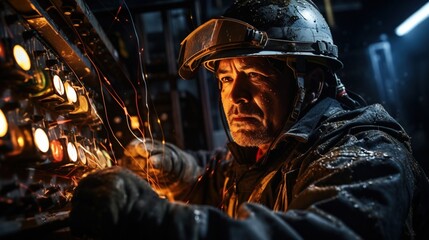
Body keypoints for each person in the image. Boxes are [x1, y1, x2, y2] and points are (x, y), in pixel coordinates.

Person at [69, 0, 429, 239]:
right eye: (226, 79)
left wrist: (153, 220)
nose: (235, 96)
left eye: (255, 75)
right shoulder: (268, 152)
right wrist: (181, 171)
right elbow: (229, 177)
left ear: (313, 83)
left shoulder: (369, 154)